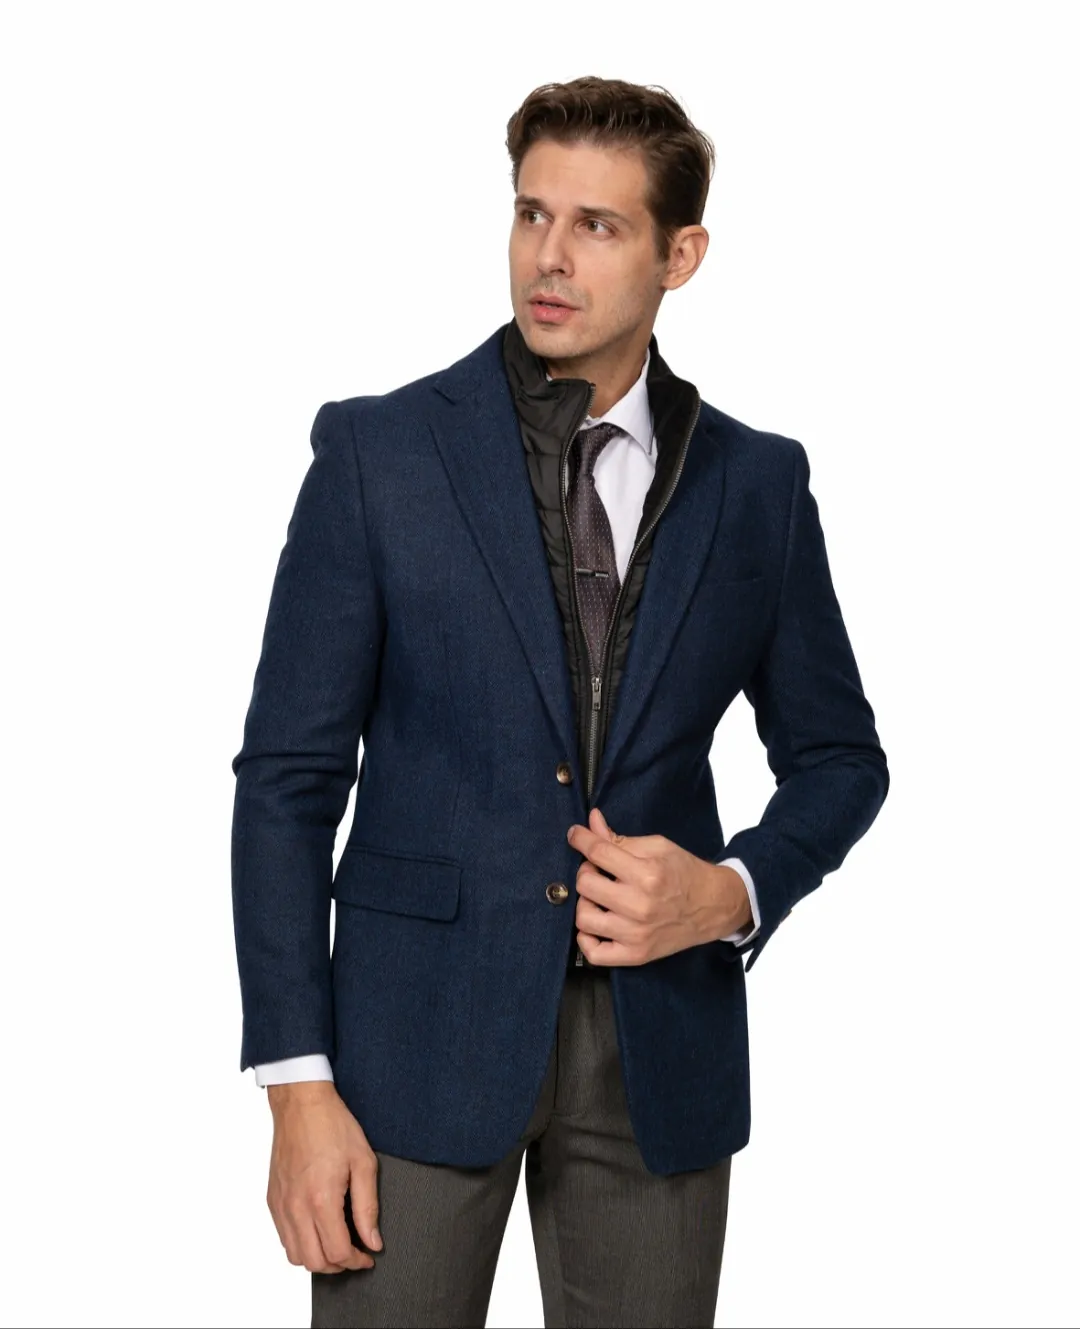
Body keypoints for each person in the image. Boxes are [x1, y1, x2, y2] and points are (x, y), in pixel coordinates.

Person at [230, 74, 889, 1329]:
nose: (549, 255)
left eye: (598, 225)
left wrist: (732, 892)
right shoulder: (380, 454)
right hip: (411, 1047)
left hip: (661, 1051)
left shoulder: (757, 483)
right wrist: (297, 1086)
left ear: (680, 255)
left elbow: (841, 757)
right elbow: (287, 783)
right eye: (532, 213)